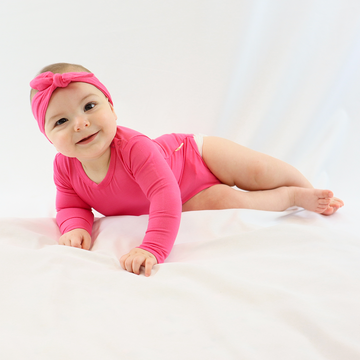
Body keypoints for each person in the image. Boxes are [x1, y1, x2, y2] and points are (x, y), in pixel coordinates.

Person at [30, 62, 344, 277]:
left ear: (111, 107)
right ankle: (292, 197)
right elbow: (72, 204)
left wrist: (151, 248)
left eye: (89, 106)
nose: (80, 123)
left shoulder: (135, 148)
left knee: (259, 170)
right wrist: (75, 227)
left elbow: (163, 195)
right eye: (61, 121)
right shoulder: (65, 168)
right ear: (47, 137)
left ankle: (308, 188)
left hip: (193, 155)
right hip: (187, 198)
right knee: (231, 204)